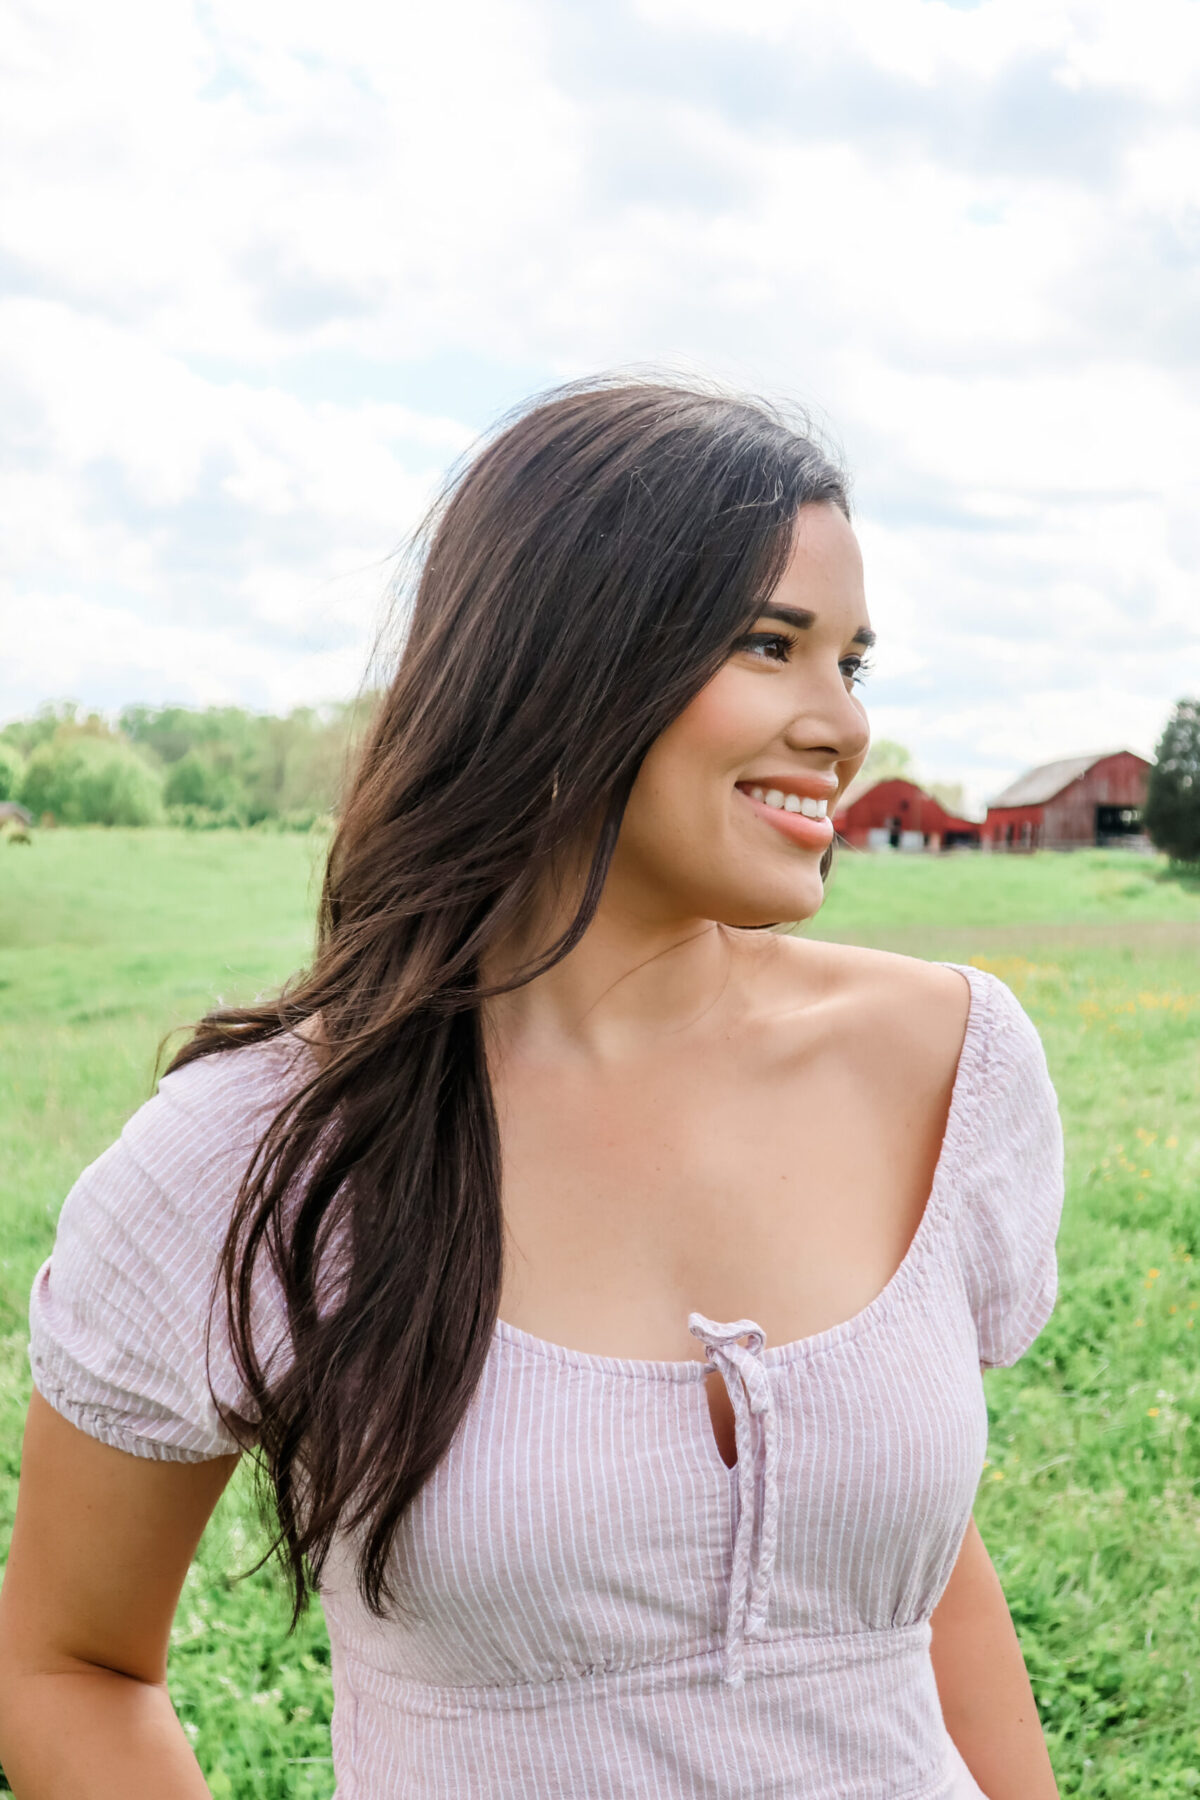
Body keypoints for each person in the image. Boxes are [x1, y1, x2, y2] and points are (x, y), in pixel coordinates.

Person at [0, 375, 1064, 1799]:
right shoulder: (265, 1149)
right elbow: (67, 1665)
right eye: (771, 645)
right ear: (566, 660)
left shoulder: (949, 1060)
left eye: (852, 663)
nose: (843, 727)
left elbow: (920, 1583)